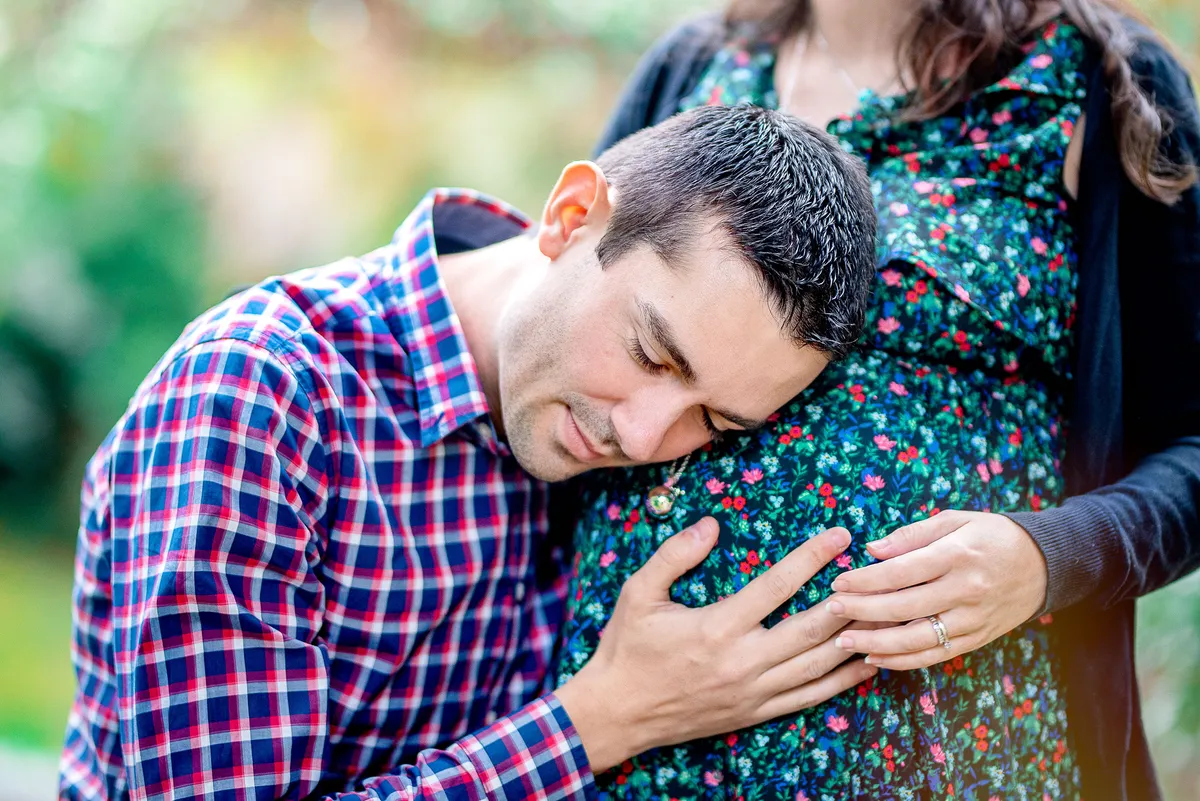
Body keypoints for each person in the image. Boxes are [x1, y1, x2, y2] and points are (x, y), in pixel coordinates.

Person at [59, 105, 881, 800]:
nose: (642, 438)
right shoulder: (262, 394)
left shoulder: (599, 441)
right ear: (570, 217)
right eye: (650, 353)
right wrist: (602, 718)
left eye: (714, 420)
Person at [554, 1, 1200, 800]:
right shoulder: (700, 62)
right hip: (631, 752)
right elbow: (562, 313)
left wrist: (1045, 558)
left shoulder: (1097, 82)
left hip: (951, 752)